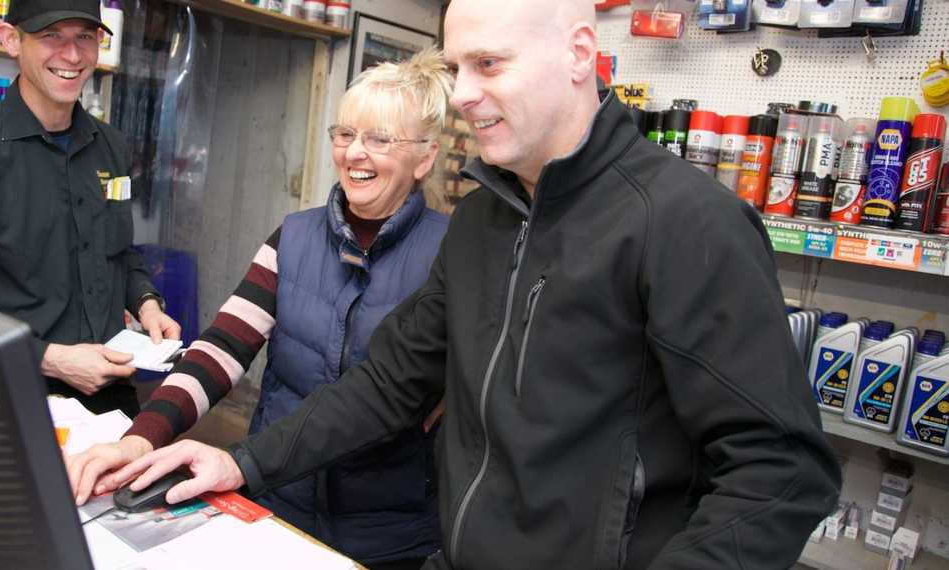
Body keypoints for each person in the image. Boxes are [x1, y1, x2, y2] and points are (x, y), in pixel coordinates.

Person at [95, 0, 844, 567]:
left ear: (581, 54)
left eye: (490, 65)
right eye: (457, 69)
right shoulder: (487, 220)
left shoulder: (683, 223)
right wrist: (241, 461)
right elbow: (387, 385)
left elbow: (780, 471)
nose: (461, 95)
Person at [67, 49, 453, 569]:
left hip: (389, 531)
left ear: (424, 158)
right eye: (344, 134)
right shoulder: (292, 238)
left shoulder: (452, 254)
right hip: (277, 499)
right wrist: (142, 439)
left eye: (379, 139)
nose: (354, 154)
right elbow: (221, 349)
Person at [0, 0, 179, 416]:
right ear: (11, 39)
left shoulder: (111, 149)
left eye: (85, 37)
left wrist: (145, 302)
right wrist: (51, 359)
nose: (72, 55)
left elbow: (117, 249)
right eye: (52, 35)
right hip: (7, 400)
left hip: (111, 397)